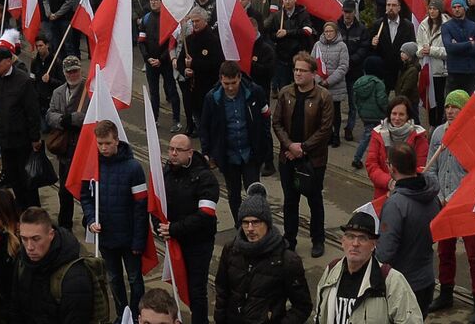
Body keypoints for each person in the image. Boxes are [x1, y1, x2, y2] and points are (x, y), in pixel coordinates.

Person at [426, 89, 475, 321]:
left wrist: (459, 195)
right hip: (443, 203)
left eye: (455, 107)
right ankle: (446, 293)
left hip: (466, 205)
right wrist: (439, 194)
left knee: (474, 254)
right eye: (448, 107)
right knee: (445, 251)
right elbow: (431, 167)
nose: (450, 111)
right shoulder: (438, 133)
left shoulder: (474, 136)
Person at [78, 119, 148, 316]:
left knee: (135, 279)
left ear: (117, 141)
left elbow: (140, 207)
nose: (103, 147)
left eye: (107, 143)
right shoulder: (92, 167)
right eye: (99, 143)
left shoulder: (133, 168)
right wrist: (91, 220)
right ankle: (121, 314)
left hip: (128, 237)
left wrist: (138, 241)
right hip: (106, 237)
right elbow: (85, 197)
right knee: (114, 278)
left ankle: (136, 315)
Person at [214, 185, 312, 324]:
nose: (250, 229)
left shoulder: (287, 260)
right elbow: (222, 291)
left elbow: (302, 307)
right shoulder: (231, 250)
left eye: (256, 222)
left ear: (267, 223)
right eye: (245, 223)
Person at [272, 52, 336, 257]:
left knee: (314, 200)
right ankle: (289, 238)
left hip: (313, 159)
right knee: (290, 200)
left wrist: (303, 149)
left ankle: (318, 239)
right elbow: (277, 122)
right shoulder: (285, 93)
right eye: (295, 69)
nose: (297, 74)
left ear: (313, 74)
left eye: (302, 70)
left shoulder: (323, 96)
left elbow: (326, 130)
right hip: (287, 156)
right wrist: (290, 146)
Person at [312, 209, 424, 324]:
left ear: (373, 244)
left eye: (362, 238)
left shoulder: (391, 280)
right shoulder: (331, 270)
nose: (355, 243)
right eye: (350, 236)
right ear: (343, 241)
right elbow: (320, 314)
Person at [157, 131, 219, 323]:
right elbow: (156, 204)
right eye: (171, 149)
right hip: (175, 240)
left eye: (179, 150)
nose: (173, 153)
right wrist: (160, 227)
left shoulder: (205, 178)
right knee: (181, 284)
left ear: (190, 153)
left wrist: (174, 229)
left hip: (199, 243)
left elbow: (205, 216)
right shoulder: (165, 173)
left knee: (197, 290)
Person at [374, 142, 439, 311]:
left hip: (402, 284)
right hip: (426, 279)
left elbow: (386, 251)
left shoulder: (396, 204)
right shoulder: (432, 196)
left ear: (392, 168)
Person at [14, 205, 106, 322]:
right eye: (24, 239)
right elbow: (14, 308)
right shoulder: (22, 261)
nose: (29, 247)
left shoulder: (74, 278)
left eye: (36, 239)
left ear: (51, 235)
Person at [200, 61, 268, 218]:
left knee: (254, 192)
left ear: (240, 78)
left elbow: (264, 120)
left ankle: (257, 221)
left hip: (250, 153)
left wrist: (265, 149)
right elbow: (205, 127)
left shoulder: (255, 92)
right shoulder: (212, 98)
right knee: (233, 193)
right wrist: (207, 152)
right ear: (221, 79)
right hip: (228, 155)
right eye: (226, 83)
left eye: (233, 83)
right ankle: (240, 225)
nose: (230, 87)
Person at [0, 39, 43, 204]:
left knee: (28, 180)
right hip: (5, 138)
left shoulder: (23, 81)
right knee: (13, 178)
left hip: (22, 140)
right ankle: (21, 208)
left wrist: (35, 138)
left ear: (9, 61)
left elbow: (33, 111)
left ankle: (33, 209)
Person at [363, 97, 428, 209]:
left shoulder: (419, 136)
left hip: (409, 196)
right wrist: (389, 182)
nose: (397, 118)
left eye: (401, 114)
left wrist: (401, 184)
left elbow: (421, 167)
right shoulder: (378, 133)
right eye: (394, 114)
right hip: (382, 196)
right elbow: (371, 165)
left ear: (408, 116)